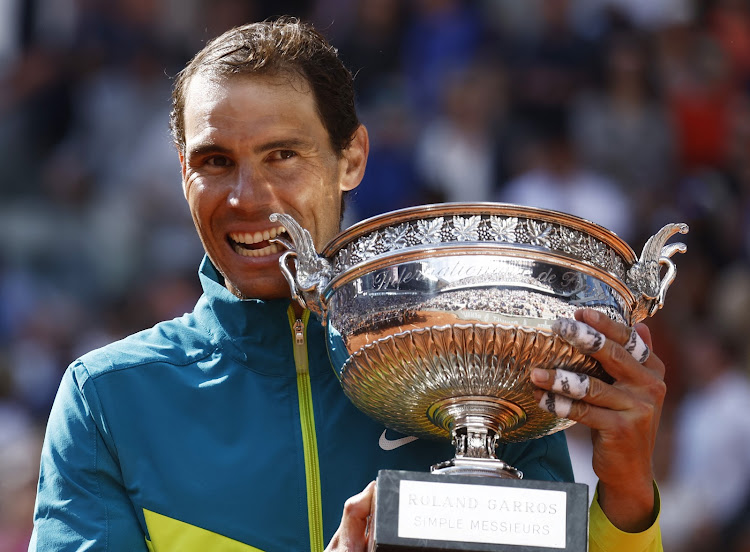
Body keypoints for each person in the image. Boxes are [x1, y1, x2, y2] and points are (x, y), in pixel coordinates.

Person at [29, 17, 665, 551]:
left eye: (283, 155)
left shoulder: (483, 365)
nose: (250, 199)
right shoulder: (110, 401)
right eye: (215, 162)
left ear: (352, 158)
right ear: (182, 173)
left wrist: (630, 501)